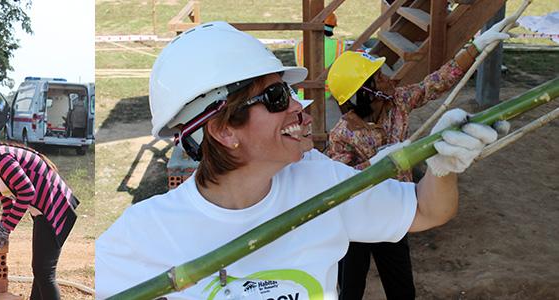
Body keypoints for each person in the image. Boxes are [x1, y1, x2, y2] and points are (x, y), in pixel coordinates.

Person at [95, 21, 504, 299]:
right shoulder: (134, 247)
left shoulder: (319, 182)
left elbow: (428, 210)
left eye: (290, 92)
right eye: (276, 98)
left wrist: (442, 167)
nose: (302, 109)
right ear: (222, 130)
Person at [326, 16, 513, 300]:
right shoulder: (342, 134)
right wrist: (375, 165)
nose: (386, 77)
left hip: (394, 211)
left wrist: (474, 48)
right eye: (378, 76)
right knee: (351, 289)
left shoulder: (396, 102)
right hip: (356, 221)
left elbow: (434, 84)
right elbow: (338, 184)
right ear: (365, 93)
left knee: (402, 289)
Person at [0, 134, 80, 300]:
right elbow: (7, 199)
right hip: (43, 212)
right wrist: (2, 224)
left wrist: (6, 229)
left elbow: (27, 192)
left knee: (44, 272)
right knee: (40, 270)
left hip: (55, 208)